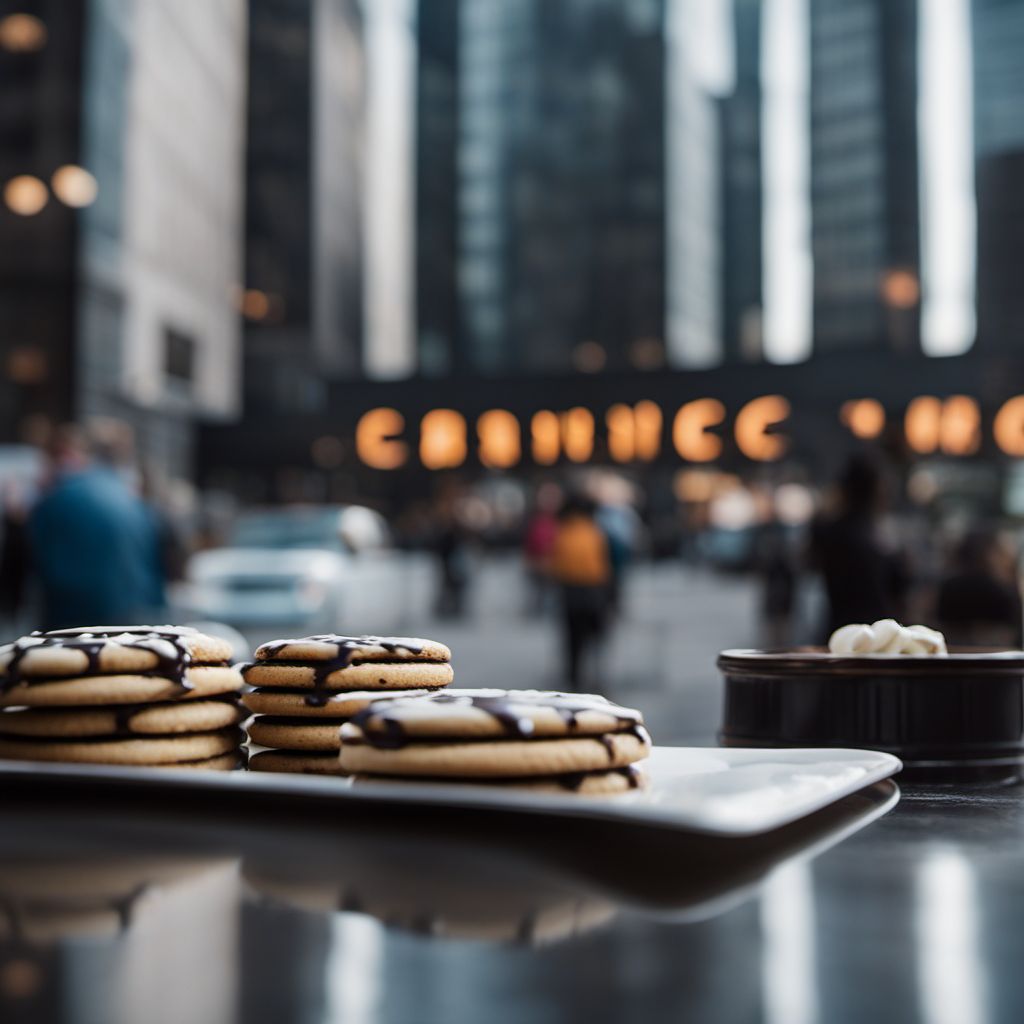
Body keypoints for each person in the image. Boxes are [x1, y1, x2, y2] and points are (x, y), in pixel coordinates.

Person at [29, 425, 165, 628]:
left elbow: (35, 562)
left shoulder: (56, 499)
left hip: (74, 618)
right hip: (133, 613)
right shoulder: (131, 498)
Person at [809, 455, 909, 640]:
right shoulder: (880, 539)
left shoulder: (830, 531)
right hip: (877, 636)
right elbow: (901, 587)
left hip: (838, 633)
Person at [548, 496, 611, 689]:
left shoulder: (563, 534)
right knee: (596, 637)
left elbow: (556, 566)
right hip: (594, 592)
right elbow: (603, 566)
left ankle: (574, 677)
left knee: (573, 639)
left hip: (571, 592)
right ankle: (596, 676)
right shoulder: (595, 532)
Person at [936, 528, 1023, 647]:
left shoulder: (949, 586)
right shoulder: (1000, 589)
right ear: (989, 553)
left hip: (954, 654)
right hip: (998, 656)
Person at [522, 483, 561, 616]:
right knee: (539, 591)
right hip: (537, 563)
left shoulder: (561, 520)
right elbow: (528, 543)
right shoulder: (533, 519)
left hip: (554, 564)